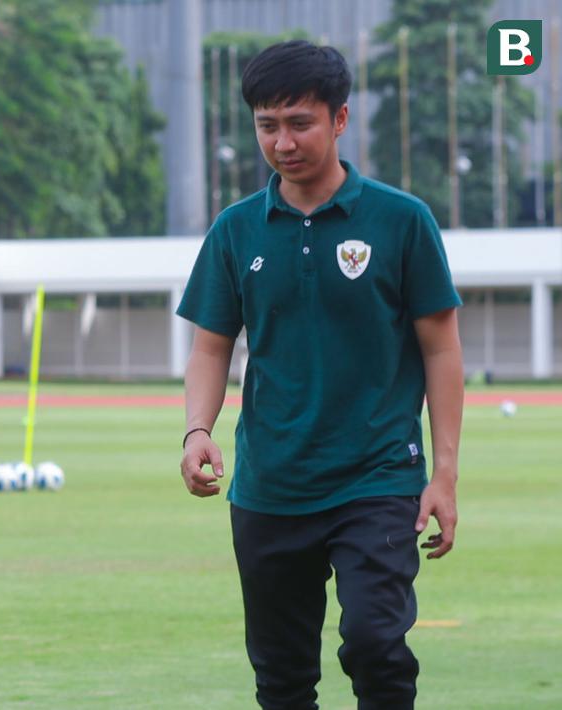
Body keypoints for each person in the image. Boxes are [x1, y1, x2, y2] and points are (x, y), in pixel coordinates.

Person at [175, 40, 463, 710]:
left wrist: (444, 474)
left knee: (375, 645)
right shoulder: (235, 230)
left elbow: (441, 351)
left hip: (377, 477)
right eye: (266, 126)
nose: (282, 143)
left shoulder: (401, 221)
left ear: (340, 119)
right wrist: (196, 430)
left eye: (299, 123)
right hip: (269, 484)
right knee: (281, 677)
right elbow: (211, 348)